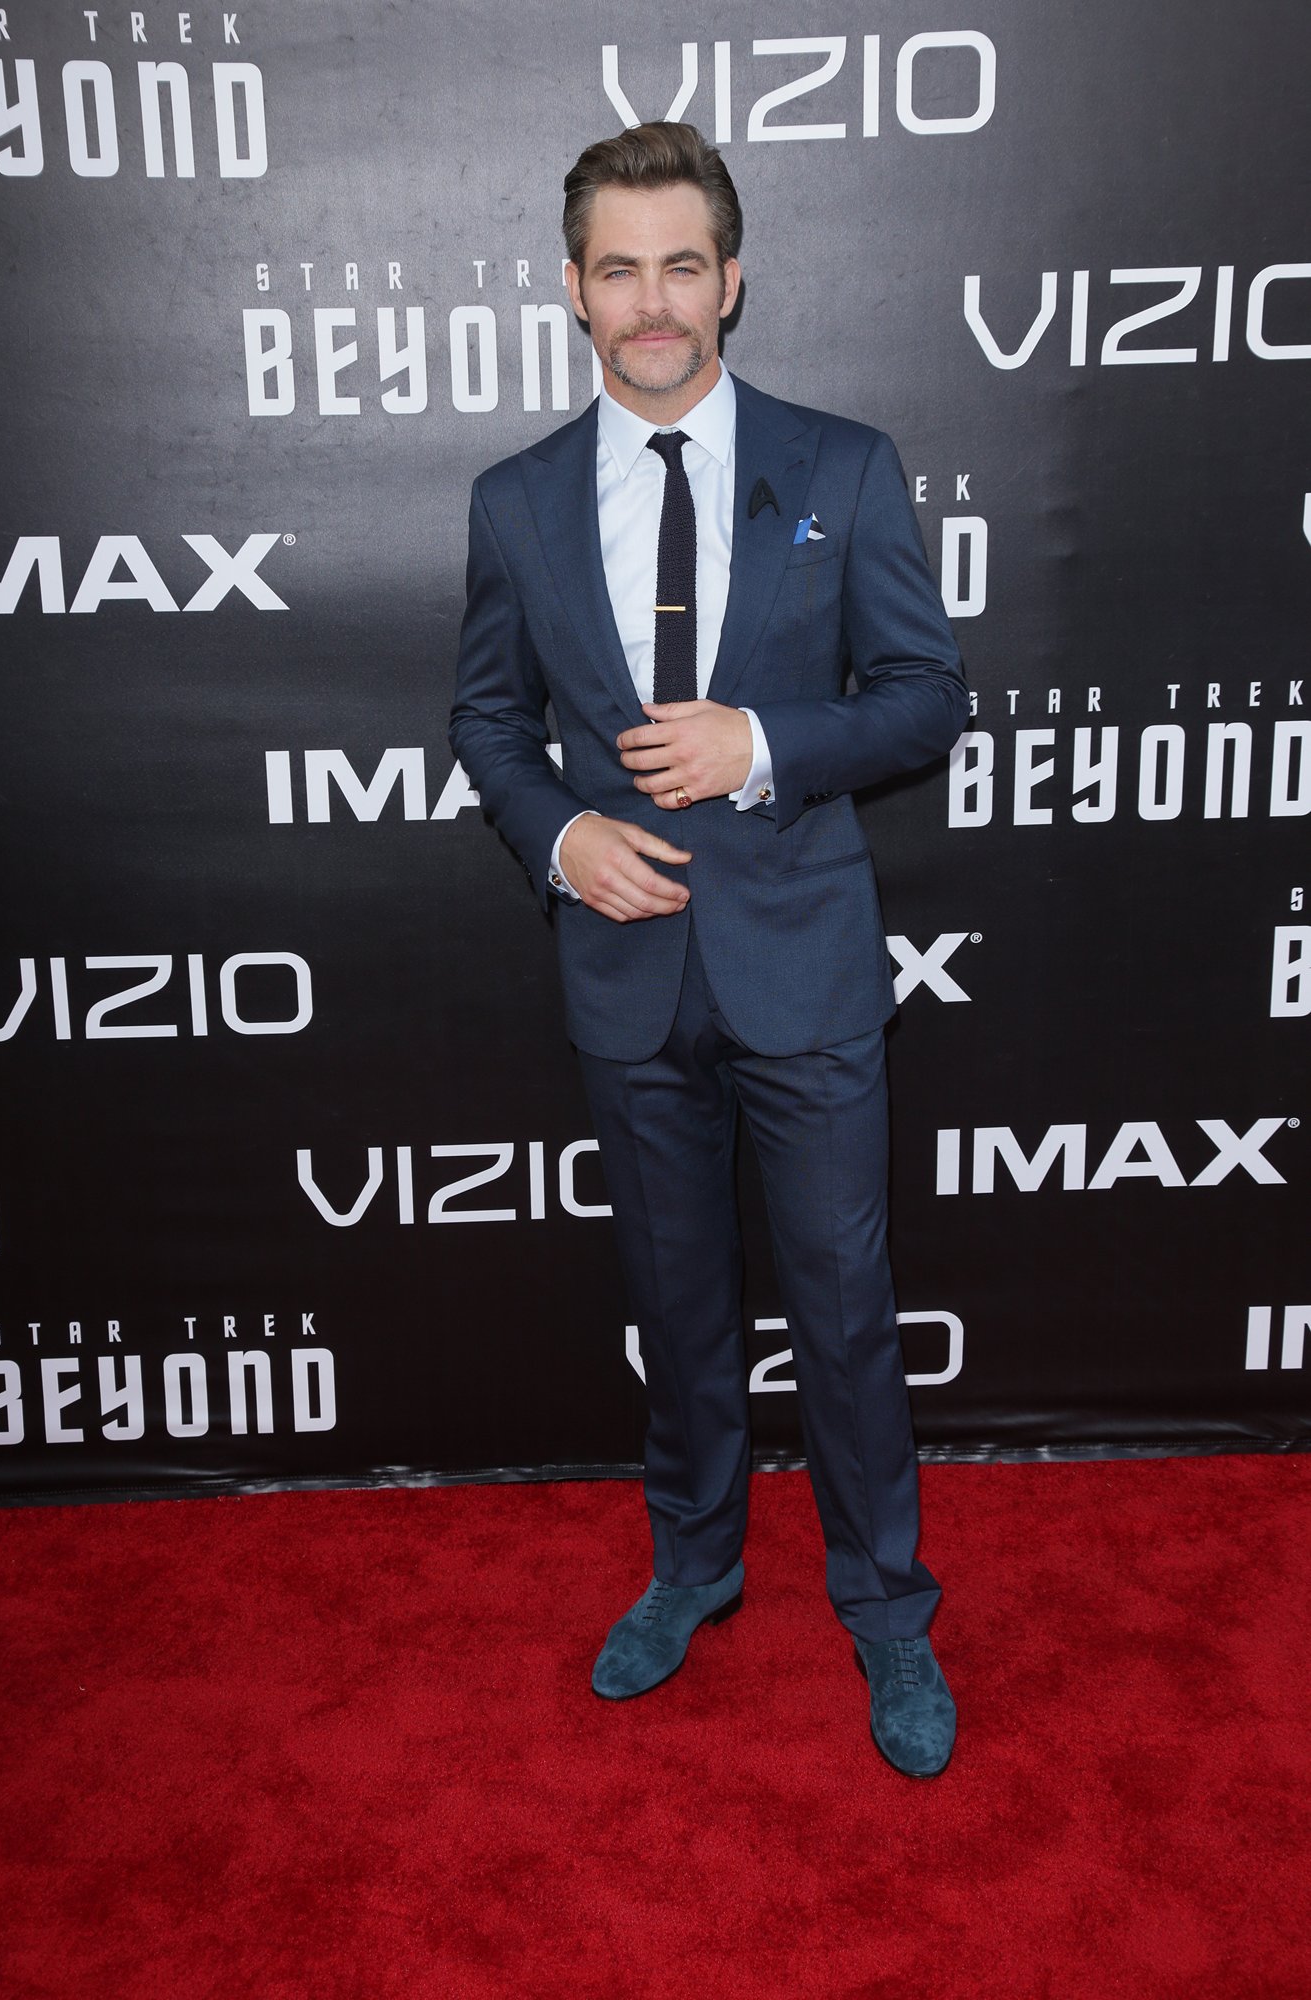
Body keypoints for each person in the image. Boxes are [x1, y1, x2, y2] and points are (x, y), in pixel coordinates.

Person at [449, 122, 968, 1778]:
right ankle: (692, 1566)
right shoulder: (516, 500)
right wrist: (559, 838)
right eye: (620, 270)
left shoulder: (842, 466)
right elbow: (487, 721)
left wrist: (762, 744)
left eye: (682, 265)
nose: (653, 302)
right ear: (573, 290)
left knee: (844, 1304)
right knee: (675, 1305)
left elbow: (925, 696)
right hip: (625, 974)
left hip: (801, 956)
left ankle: (886, 1609)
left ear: (730, 281)